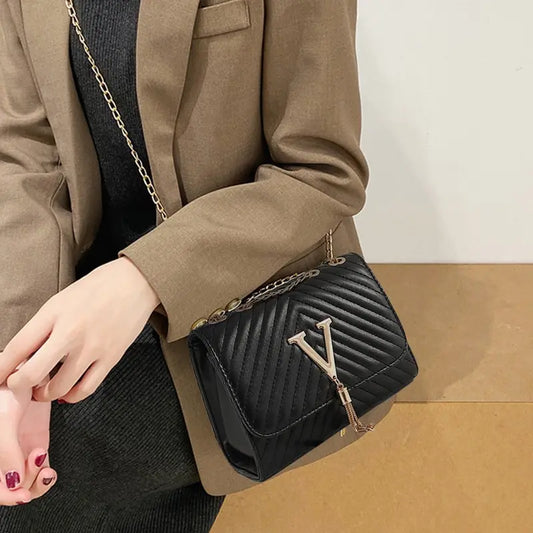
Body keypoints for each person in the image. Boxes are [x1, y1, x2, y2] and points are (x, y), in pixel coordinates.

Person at [0, 0, 370, 531]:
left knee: (45, 477)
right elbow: (28, 158)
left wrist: (143, 277)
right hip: (76, 303)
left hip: (239, 317)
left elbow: (323, 173)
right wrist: (15, 367)